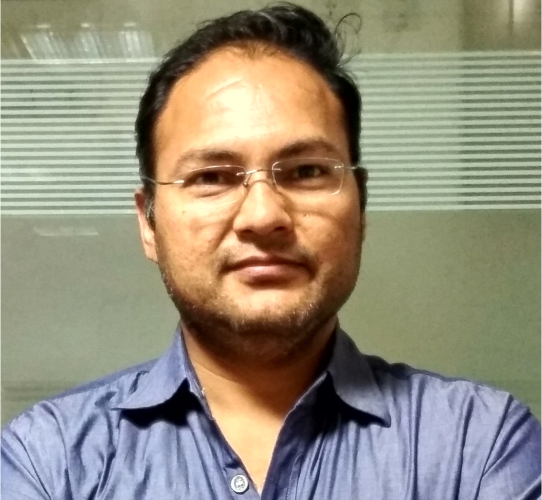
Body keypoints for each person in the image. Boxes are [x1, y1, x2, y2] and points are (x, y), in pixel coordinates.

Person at [2, 4, 540, 499]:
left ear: (360, 205)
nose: (263, 216)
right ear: (149, 222)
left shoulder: (478, 445)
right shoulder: (51, 462)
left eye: (306, 171)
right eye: (211, 177)